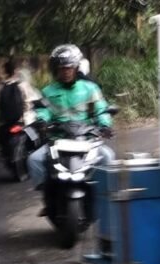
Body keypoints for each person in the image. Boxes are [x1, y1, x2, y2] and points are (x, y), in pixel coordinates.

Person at [26, 44, 115, 194]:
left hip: (86, 138)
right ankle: (48, 195)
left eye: (69, 67)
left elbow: (101, 109)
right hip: (58, 138)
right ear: (56, 70)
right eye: (62, 68)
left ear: (76, 68)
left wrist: (105, 124)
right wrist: (42, 121)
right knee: (34, 159)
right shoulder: (48, 91)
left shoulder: (90, 88)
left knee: (108, 156)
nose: (66, 71)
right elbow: (44, 110)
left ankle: (106, 195)